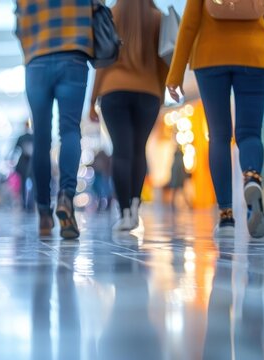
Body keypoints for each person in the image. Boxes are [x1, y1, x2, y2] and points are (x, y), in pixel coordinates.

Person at [166, 0, 264, 238]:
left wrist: (175, 73)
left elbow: (190, 22)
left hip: (210, 56)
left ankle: (225, 217)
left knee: (219, 136)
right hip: (257, 56)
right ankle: (252, 178)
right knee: (250, 133)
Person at [15, 0, 92, 239]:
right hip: (74, 56)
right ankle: (66, 197)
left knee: (41, 139)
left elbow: (19, 27)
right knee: (70, 131)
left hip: (37, 60)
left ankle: (44, 215)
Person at [89, 0, 167, 231]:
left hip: (114, 91)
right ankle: (135, 207)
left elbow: (102, 60)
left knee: (121, 152)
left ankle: (124, 213)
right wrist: (160, 92)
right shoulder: (157, 17)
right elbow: (164, 60)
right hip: (148, 92)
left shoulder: (111, 14)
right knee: (138, 150)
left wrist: (92, 101)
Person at [13, 121, 34, 211]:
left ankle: (26, 204)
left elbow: (15, 149)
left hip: (24, 164)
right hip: (29, 163)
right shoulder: (33, 137)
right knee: (33, 184)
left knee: (24, 185)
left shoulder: (22, 138)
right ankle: (30, 204)